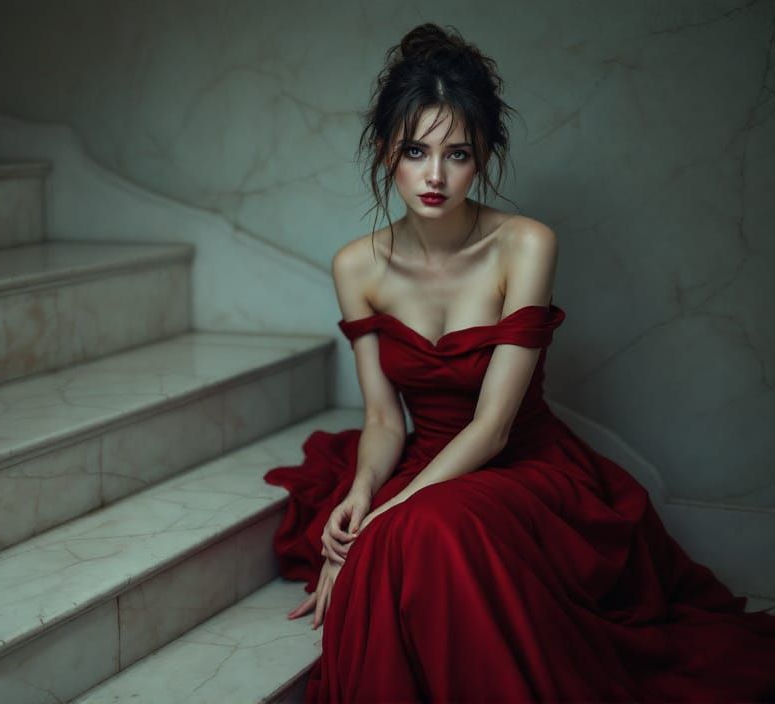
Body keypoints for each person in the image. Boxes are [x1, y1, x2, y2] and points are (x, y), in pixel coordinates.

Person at [263, 22, 775, 703]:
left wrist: (390, 516)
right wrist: (362, 495)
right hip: (427, 464)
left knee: (418, 531)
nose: (435, 176)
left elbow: (494, 428)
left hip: (521, 466)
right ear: (386, 149)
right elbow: (385, 419)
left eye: (459, 154)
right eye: (416, 150)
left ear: (484, 158)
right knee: (408, 537)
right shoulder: (356, 265)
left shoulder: (526, 245)